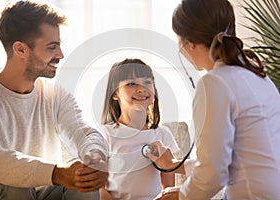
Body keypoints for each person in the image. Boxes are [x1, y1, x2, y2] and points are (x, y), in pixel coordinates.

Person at [146, 0, 280, 199]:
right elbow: (238, 156)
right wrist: (176, 166)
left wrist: (180, 196)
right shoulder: (257, 74)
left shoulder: (214, 84)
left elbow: (214, 174)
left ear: (189, 43)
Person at [0, 1, 108, 199]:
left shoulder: (55, 95)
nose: (60, 55)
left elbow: (83, 132)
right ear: (21, 49)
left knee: (84, 184)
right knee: (16, 185)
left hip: (42, 193)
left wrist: (95, 158)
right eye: (52, 47)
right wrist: (57, 173)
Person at [99, 58, 179, 200]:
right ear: (115, 93)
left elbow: (168, 188)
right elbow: (99, 188)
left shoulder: (163, 135)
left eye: (147, 82)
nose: (141, 88)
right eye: (131, 83)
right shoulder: (105, 135)